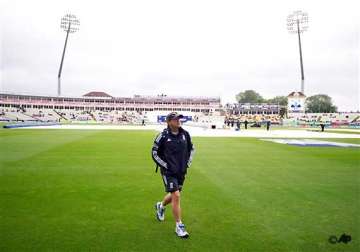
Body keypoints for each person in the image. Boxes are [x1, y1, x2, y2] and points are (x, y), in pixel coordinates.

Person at [151, 112, 195, 238]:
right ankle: (179, 226)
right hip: (168, 171)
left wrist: (188, 162)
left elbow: (192, 148)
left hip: (181, 171)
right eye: (176, 119)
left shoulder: (185, 134)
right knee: (176, 195)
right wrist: (165, 166)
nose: (179, 121)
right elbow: (154, 153)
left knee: (174, 194)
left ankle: (161, 205)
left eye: (179, 119)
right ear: (169, 121)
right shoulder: (163, 136)